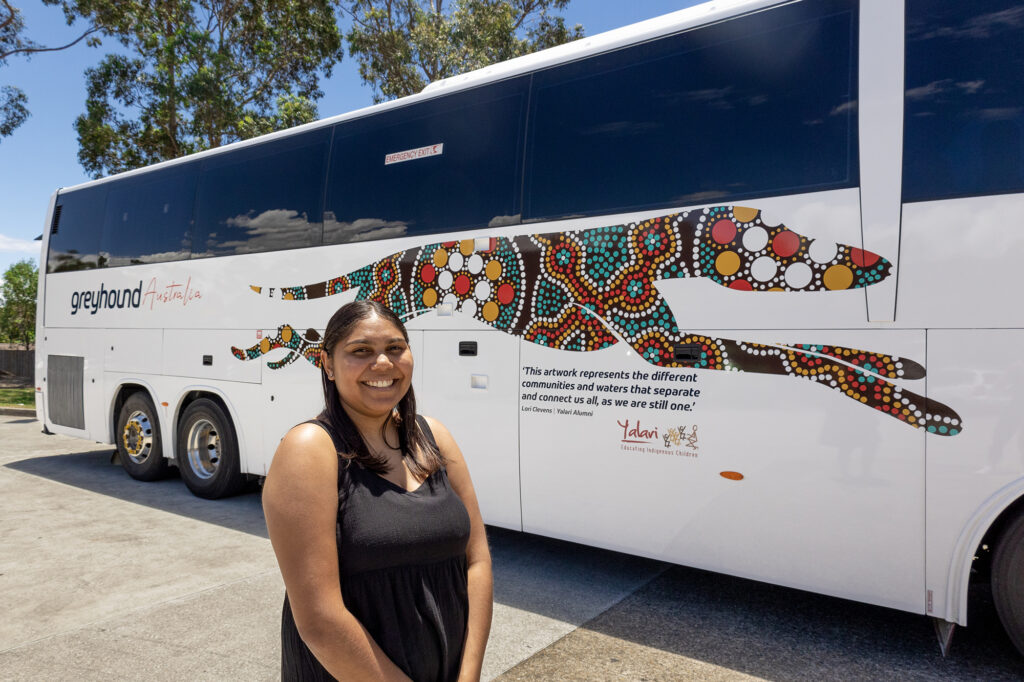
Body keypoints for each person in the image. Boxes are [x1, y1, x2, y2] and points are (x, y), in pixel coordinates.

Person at [262, 300, 493, 681]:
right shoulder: (309, 449)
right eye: (361, 351)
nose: (383, 363)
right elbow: (319, 620)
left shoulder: (434, 437)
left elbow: (478, 562)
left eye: (395, 348)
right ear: (328, 365)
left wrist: (468, 675)